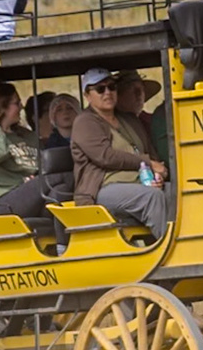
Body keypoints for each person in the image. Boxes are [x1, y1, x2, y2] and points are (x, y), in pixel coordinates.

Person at [69, 69, 171, 236]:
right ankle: (168, 251)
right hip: (102, 189)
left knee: (174, 190)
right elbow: (105, 157)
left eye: (112, 87)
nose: (107, 92)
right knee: (152, 197)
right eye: (100, 89)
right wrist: (148, 163)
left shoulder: (128, 119)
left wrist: (159, 175)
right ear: (87, 95)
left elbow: (150, 151)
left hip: (141, 181)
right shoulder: (84, 122)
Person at [0, 81, 66, 219]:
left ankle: (62, 240)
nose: (21, 107)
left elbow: (44, 162)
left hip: (33, 194)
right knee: (61, 177)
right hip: (5, 201)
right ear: (2, 107)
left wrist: (36, 175)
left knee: (60, 191)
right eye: (17, 103)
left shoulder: (28, 135)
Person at [113, 70, 170, 163]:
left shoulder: (152, 120)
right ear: (119, 95)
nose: (139, 94)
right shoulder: (111, 123)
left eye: (142, 89)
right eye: (132, 90)